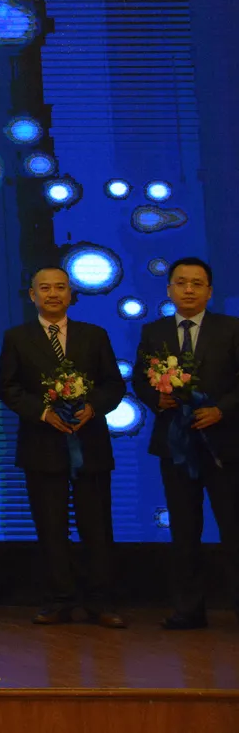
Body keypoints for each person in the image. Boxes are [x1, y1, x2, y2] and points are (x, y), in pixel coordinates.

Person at [0, 266, 127, 628]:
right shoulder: (17, 337)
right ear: (31, 294)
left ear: (72, 294)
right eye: (45, 288)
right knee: (50, 527)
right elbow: (8, 388)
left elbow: (113, 385)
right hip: (42, 444)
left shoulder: (94, 335)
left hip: (90, 444)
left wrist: (92, 407)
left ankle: (101, 600)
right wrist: (42, 412)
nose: (53, 294)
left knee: (97, 526)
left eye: (60, 288)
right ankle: (59, 599)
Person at [130, 257, 239, 630]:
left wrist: (220, 411)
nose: (188, 290)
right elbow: (141, 381)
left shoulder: (231, 329)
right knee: (184, 529)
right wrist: (154, 398)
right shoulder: (154, 331)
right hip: (175, 446)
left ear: (209, 290)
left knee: (232, 527)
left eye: (197, 283)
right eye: (181, 283)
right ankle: (189, 609)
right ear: (169, 290)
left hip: (224, 446)